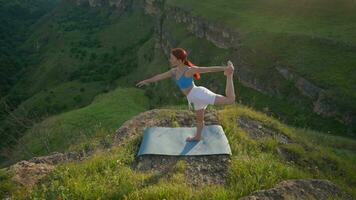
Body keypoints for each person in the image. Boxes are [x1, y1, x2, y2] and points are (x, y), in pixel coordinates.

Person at [136, 47, 236, 142]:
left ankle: (229, 75)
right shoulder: (174, 71)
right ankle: (197, 137)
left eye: (172, 58)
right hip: (195, 98)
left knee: (230, 100)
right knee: (200, 120)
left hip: (199, 94)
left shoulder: (189, 71)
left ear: (179, 60)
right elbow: (159, 77)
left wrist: (225, 68)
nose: (170, 60)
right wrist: (147, 81)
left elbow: (207, 69)